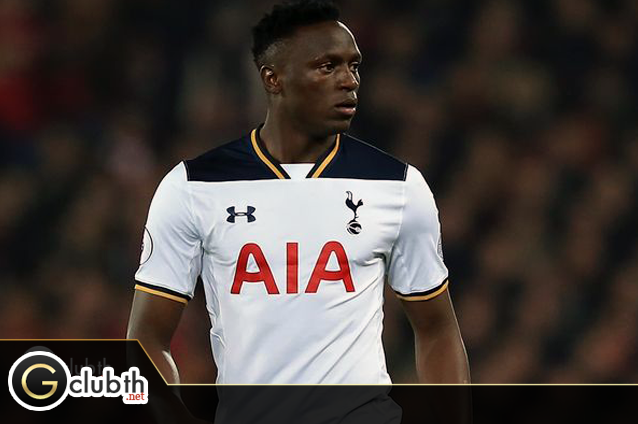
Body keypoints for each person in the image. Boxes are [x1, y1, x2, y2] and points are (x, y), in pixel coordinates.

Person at [127, 0, 468, 395]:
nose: (349, 80)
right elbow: (146, 339)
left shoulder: (398, 186)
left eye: (354, 66)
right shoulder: (192, 187)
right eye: (328, 67)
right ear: (274, 79)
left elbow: (437, 329)